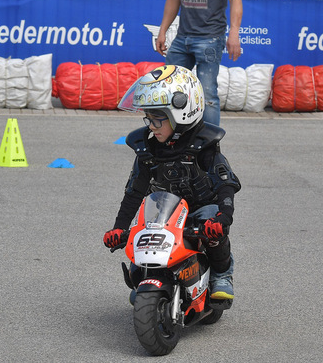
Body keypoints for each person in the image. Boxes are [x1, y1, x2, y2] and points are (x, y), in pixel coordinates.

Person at [103, 65, 241, 300]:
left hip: (202, 208)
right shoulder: (146, 149)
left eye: (157, 120)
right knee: (142, 235)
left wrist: (223, 216)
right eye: (148, 119)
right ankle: (144, 281)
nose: (151, 126)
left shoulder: (204, 144)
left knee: (212, 229)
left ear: (182, 113)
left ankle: (221, 275)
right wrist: (119, 227)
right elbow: (134, 192)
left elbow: (225, 183)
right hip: (167, 209)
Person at [155, 0, 243, 126]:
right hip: (182, 38)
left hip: (209, 38)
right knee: (170, 88)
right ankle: (174, 139)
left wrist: (234, 31)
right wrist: (162, 30)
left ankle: (209, 145)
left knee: (207, 94)